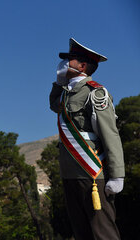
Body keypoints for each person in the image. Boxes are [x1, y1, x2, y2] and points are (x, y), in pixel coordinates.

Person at [49, 38, 125, 240]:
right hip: (69, 172)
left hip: (92, 172)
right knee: (81, 232)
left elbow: (110, 134)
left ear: (82, 65)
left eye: (70, 59)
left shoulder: (96, 92)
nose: (65, 63)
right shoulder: (66, 94)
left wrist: (117, 175)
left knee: (102, 232)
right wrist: (59, 83)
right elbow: (54, 105)